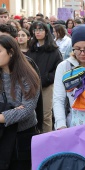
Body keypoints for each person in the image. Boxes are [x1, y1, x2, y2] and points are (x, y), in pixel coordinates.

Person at [0, 34, 40, 170]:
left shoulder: (27, 74)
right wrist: (14, 111)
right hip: (2, 135)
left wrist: (2, 116)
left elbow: (27, 109)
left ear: (10, 52)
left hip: (22, 136)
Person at [28, 21, 63, 133]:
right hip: (31, 86)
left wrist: (47, 78)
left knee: (46, 115)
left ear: (46, 32)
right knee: (32, 115)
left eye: (40, 29)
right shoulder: (31, 48)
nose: (37, 32)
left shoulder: (54, 50)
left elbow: (59, 69)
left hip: (47, 86)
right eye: (35, 30)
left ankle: (47, 141)